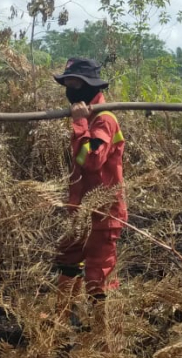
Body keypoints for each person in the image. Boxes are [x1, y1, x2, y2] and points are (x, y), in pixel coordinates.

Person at [52, 57, 127, 331]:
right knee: (68, 258)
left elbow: (92, 159)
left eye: (75, 84)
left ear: (88, 86)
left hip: (103, 212)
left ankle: (101, 334)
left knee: (98, 271)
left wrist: (80, 125)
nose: (70, 89)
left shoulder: (104, 119)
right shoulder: (89, 115)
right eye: (67, 83)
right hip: (80, 208)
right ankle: (62, 324)